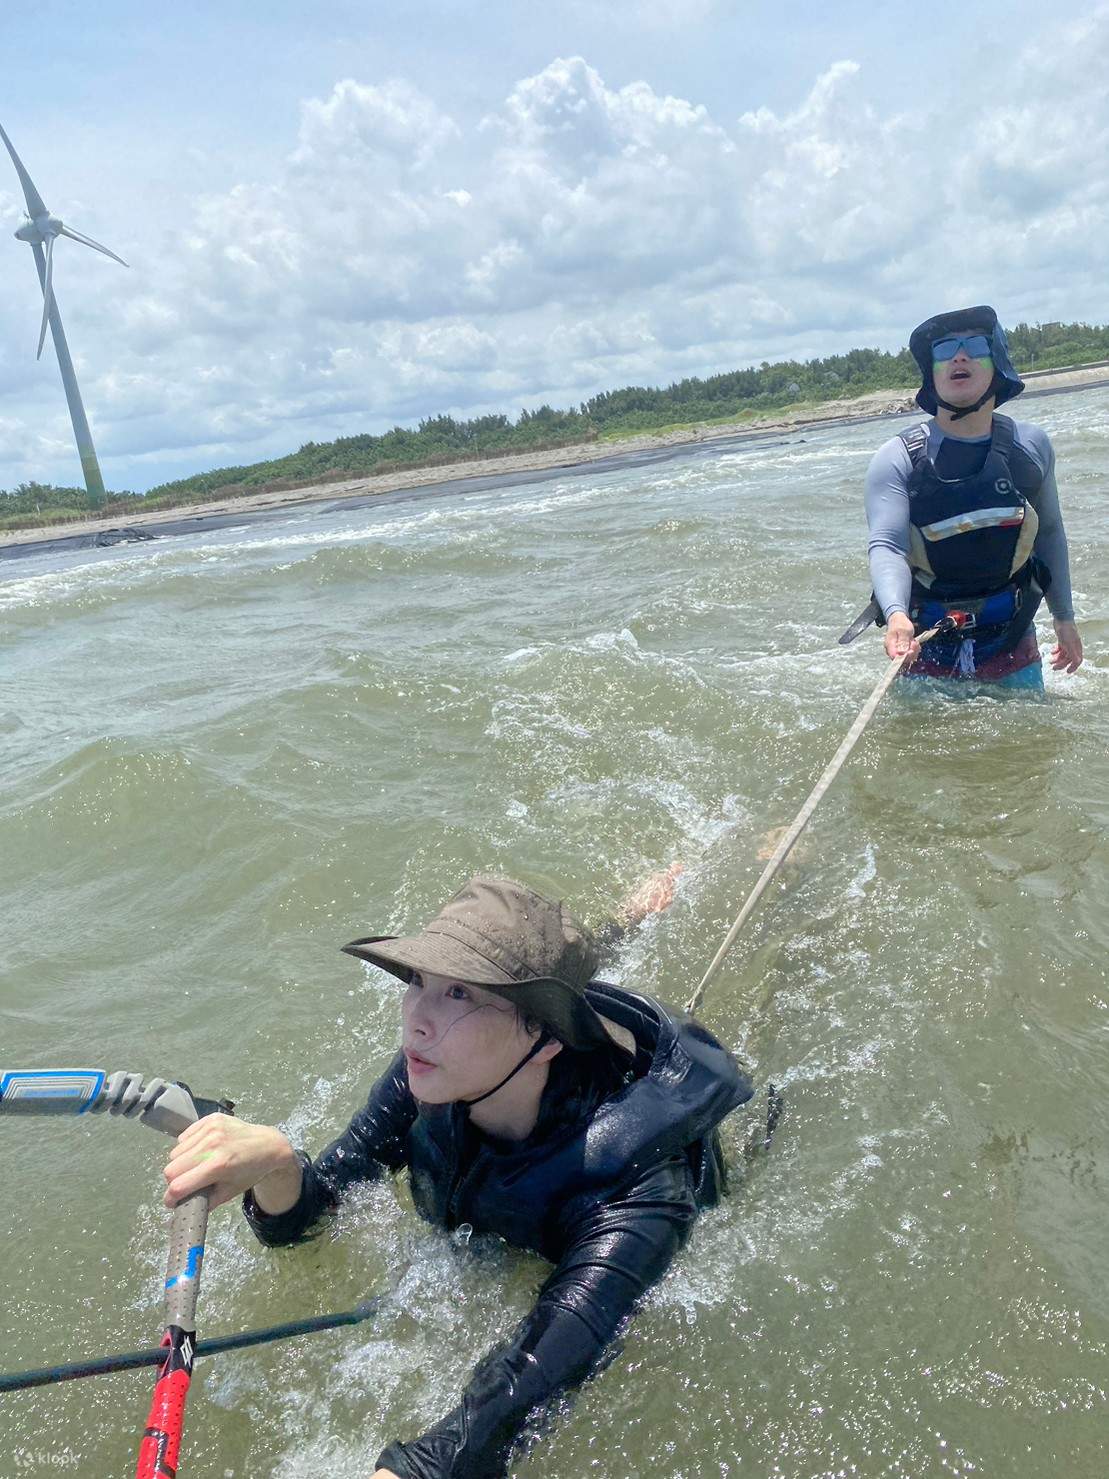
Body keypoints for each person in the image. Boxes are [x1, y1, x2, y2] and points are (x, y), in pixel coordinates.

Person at [162, 868, 750, 1478]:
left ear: (545, 1037)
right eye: (418, 981)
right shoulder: (432, 1072)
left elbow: (536, 1379)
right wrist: (276, 1163)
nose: (417, 1017)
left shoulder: (636, 1194)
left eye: (460, 994)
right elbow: (313, 1214)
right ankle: (629, 918)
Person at [861, 305, 1083, 687]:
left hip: (1011, 638)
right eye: (944, 349)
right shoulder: (896, 459)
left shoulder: (1030, 448)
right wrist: (896, 615)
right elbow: (888, 545)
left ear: (997, 363)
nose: (958, 356)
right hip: (923, 643)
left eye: (974, 346)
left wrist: (1064, 617)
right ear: (931, 373)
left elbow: (1049, 533)